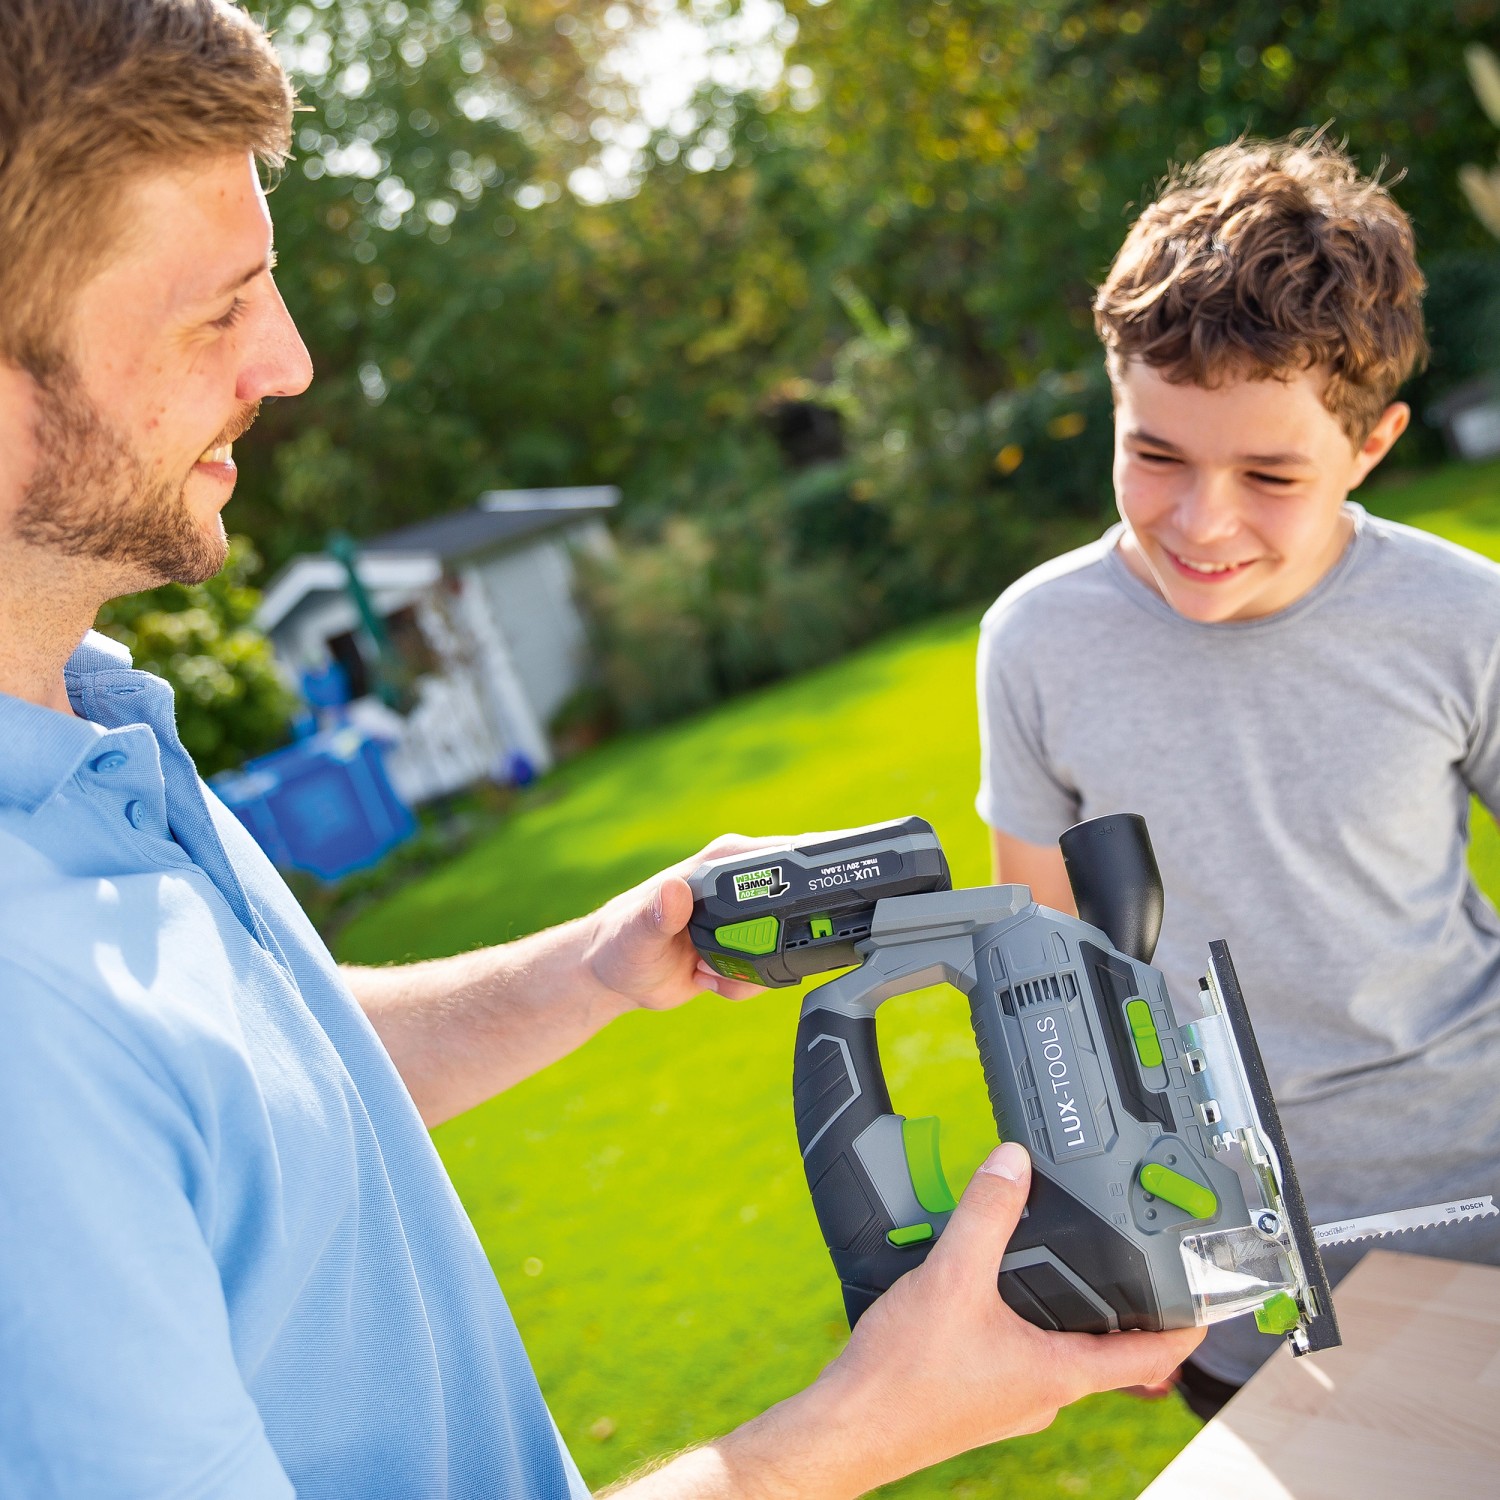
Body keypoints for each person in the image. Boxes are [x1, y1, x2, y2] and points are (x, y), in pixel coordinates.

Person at [0, 2, 1200, 1494]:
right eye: (218, 310)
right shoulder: (20, 1039)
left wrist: (596, 964)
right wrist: (851, 1431)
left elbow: (244, 1090)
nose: (291, 361)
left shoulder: (91, 723)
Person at [976, 131, 1500, 1420]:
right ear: (1114, 401)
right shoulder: (1035, 641)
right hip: (1231, 1262)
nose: (1202, 523)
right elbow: (1045, 974)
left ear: (1372, 446)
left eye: (1271, 475)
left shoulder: (1461, 616)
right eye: (1156, 454)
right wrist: (1107, 1243)